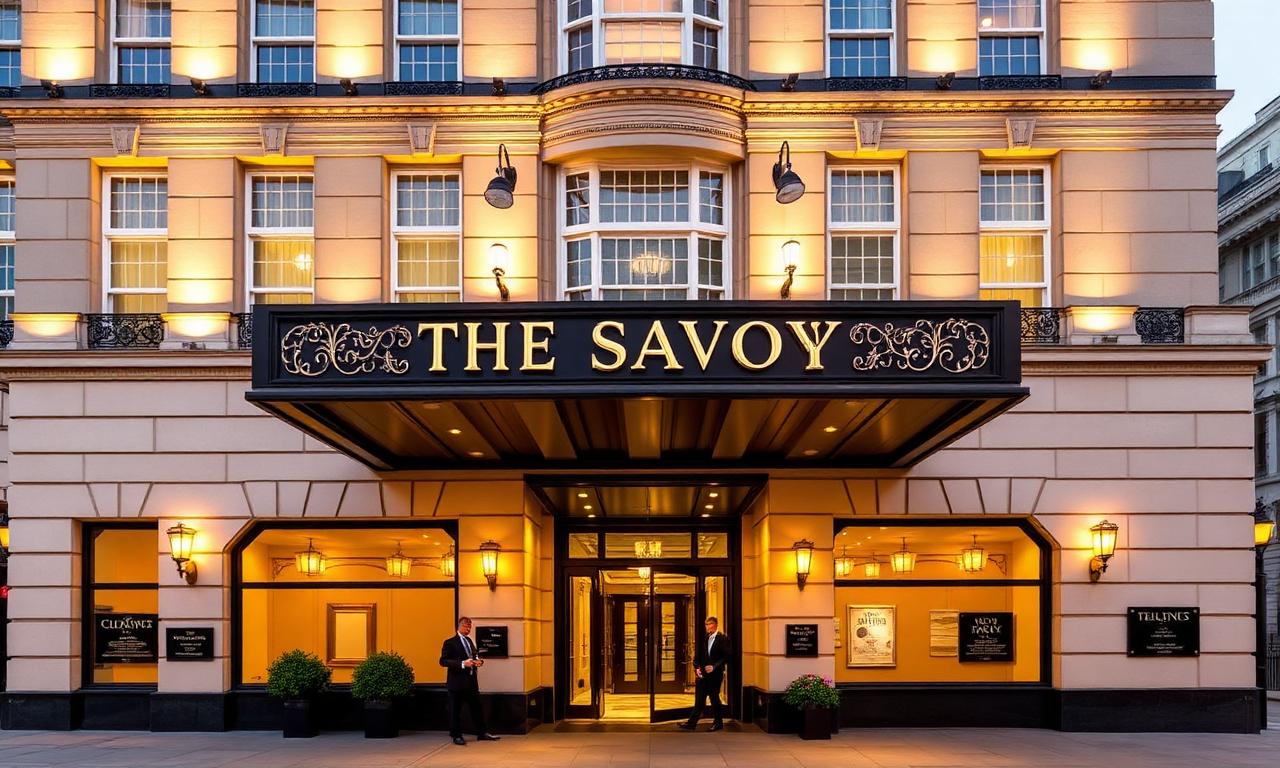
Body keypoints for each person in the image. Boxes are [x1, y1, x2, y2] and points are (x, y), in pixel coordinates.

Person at [439, 616, 500, 745]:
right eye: (466, 626)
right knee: (456, 711)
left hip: (471, 683)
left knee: (477, 709)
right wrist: (462, 663)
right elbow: (443, 661)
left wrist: (478, 661)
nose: (468, 629)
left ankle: (482, 733)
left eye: (470, 626)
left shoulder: (470, 641)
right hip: (456, 683)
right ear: (459, 626)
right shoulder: (450, 642)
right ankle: (457, 735)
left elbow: (474, 656)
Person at [679, 616, 730, 732]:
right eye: (706, 624)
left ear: (716, 624)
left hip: (715, 675)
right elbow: (698, 656)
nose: (708, 627)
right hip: (703, 675)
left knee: (714, 698)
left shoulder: (723, 639)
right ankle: (691, 724)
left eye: (710, 624)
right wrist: (696, 668)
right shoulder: (705, 638)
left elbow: (726, 656)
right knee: (700, 699)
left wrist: (714, 666)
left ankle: (718, 723)